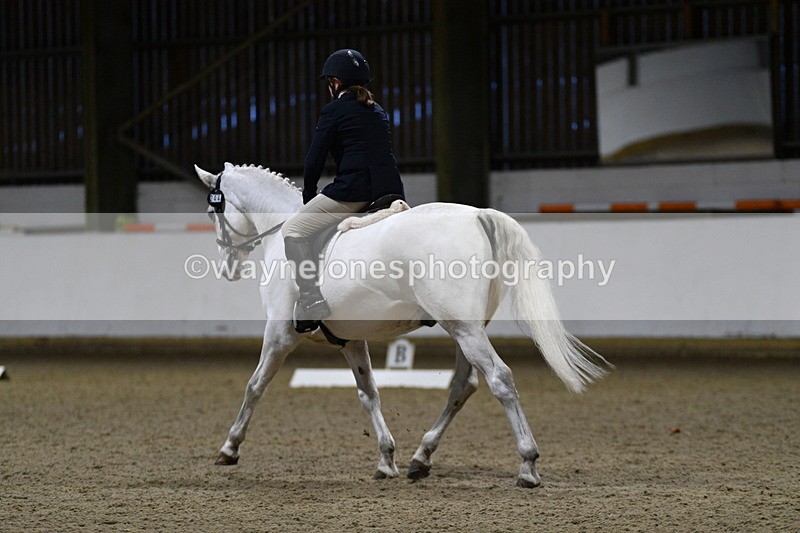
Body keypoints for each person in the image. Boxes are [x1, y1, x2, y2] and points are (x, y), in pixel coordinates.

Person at [282, 48, 405, 332]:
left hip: (355, 191)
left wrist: (309, 194)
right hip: (390, 190)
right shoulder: (378, 110)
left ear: (335, 83)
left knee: (293, 231)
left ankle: (311, 301)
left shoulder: (334, 109)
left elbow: (314, 158)